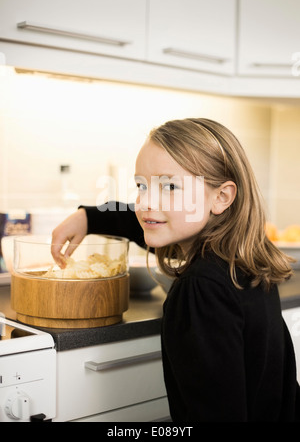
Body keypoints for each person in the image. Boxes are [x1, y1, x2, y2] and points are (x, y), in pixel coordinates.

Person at [51, 118, 300, 422]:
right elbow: (157, 219)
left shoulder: (202, 289)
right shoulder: (244, 264)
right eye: (141, 185)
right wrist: (90, 217)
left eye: (169, 186)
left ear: (221, 197)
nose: (144, 203)